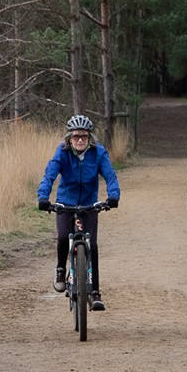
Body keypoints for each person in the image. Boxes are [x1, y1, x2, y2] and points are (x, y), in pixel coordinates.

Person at [37, 114, 120, 311]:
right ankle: (60, 269)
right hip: (66, 203)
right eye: (76, 136)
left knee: (92, 246)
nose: (80, 140)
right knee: (64, 237)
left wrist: (113, 196)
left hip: (90, 205)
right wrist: (43, 197)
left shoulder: (99, 153)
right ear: (69, 138)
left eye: (84, 136)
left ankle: (96, 293)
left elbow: (110, 175)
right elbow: (49, 175)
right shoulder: (62, 153)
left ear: (90, 137)